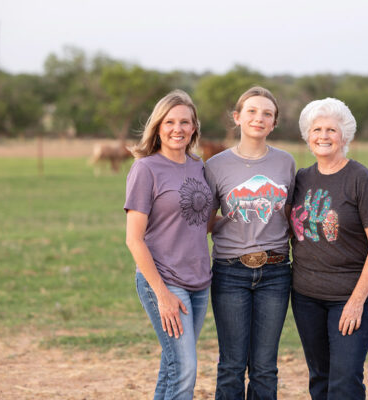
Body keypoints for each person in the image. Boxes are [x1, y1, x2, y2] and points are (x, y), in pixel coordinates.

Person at [290, 98, 368, 400]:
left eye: (331, 129)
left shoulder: (362, 180)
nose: (323, 136)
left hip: (351, 298)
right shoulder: (301, 179)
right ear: (308, 136)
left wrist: (356, 301)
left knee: (345, 382)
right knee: (320, 378)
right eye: (317, 129)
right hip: (306, 298)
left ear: (344, 135)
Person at [205, 87, 296, 400]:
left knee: (265, 365)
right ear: (237, 117)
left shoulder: (286, 162)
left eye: (267, 114)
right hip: (230, 272)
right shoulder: (215, 166)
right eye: (252, 111)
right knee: (231, 364)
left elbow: (289, 214)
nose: (259, 118)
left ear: (274, 123)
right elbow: (205, 221)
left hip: (275, 271)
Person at [124, 90, 213, 400]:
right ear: (158, 126)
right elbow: (133, 239)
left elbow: (203, 222)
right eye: (170, 121)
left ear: (194, 128)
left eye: (185, 122)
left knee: (173, 364)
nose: (178, 129)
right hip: (164, 280)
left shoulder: (198, 166)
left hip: (199, 281)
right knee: (185, 369)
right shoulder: (146, 169)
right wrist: (161, 293)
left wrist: (243, 215)